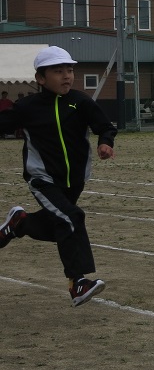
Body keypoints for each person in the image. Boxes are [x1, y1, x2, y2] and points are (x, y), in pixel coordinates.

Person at [0, 46, 117, 306]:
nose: (66, 76)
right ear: (41, 79)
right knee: (72, 217)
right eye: (58, 71)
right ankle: (78, 283)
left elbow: (104, 126)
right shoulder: (27, 107)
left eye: (69, 70)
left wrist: (105, 142)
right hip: (42, 178)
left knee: (60, 226)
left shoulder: (81, 101)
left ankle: (19, 224)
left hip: (74, 180)